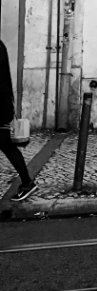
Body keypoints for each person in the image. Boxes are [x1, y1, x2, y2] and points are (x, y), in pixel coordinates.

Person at [0, 38, 37, 202]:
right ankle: (28, 182)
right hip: (3, 106)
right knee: (6, 145)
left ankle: (28, 182)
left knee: (7, 146)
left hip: (0, 107)